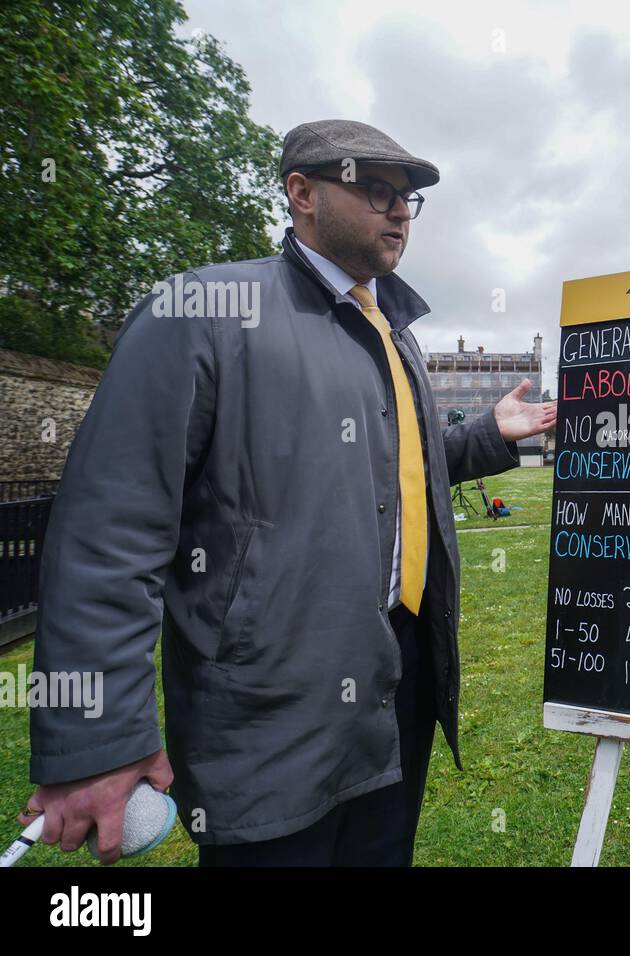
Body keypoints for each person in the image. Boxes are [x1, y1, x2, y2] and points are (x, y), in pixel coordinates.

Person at [19, 119, 556, 865]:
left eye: (408, 198)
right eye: (376, 190)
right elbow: (109, 531)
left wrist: (490, 434)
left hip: (395, 689)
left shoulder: (394, 334)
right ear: (300, 192)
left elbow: (395, 465)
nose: (399, 210)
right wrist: (97, 739)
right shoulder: (204, 312)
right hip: (267, 719)